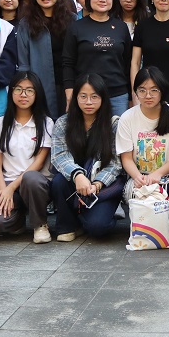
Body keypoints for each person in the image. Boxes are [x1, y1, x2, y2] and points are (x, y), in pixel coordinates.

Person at [50, 73, 126, 240]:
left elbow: (116, 163)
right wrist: (78, 175)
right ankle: (68, 226)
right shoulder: (63, 123)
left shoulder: (113, 124)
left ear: (103, 98)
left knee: (98, 227)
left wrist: (97, 183)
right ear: (75, 98)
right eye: (83, 96)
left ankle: (94, 215)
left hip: (103, 185)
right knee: (58, 181)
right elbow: (59, 156)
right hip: (73, 183)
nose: (89, 102)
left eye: (94, 96)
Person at [0, 70, 54, 244]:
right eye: (18, 89)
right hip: (7, 182)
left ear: (37, 94)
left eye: (29, 90)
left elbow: (39, 163)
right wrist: (3, 191)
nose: (23, 95)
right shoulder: (0, 123)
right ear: (11, 92)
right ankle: (17, 220)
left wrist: (12, 187)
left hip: (35, 183)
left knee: (31, 178)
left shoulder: (46, 123)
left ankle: (40, 225)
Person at [63, 0, 132, 117]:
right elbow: (68, 63)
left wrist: (131, 96)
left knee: (118, 130)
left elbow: (128, 63)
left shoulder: (121, 27)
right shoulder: (76, 27)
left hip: (117, 95)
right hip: (86, 95)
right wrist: (69, 93)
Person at [116, 67, 169, 205]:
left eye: (154, 90)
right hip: (140, 176)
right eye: (142, 90)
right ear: (136, 92)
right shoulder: (127, 118)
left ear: (162, 91)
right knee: (131, 193)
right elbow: (126, 158)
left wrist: (157, 174)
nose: (148, 95)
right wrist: (138, 177)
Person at [13, 0, 75, 120]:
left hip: (69, 85)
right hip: (40, 87)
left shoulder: (72, 20)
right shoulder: (26, 24)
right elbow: (23, 63)